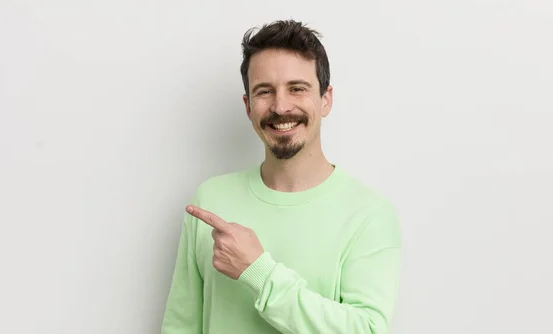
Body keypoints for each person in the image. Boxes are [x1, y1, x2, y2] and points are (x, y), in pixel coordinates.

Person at [161, 19, 402, 334]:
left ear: (325, 99)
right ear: (248, 106)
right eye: (264, 92)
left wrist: (258, 272)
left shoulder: (369, 214)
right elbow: (180, 326)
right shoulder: (210, 201)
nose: (281, 106)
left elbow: (367, 329)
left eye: (297, 88)